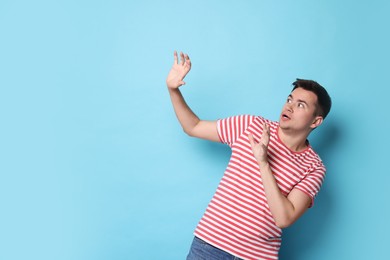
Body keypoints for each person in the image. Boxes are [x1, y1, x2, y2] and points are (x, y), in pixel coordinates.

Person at [166, 51, 332, 260]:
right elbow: (193, 126)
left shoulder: (314, 168)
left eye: (300, 105)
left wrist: (263, 163)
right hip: (209, 246)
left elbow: (284, 217)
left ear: (315, 122)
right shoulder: (251, 126)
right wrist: (173, 90)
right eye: (290, 99)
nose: (289, 106)